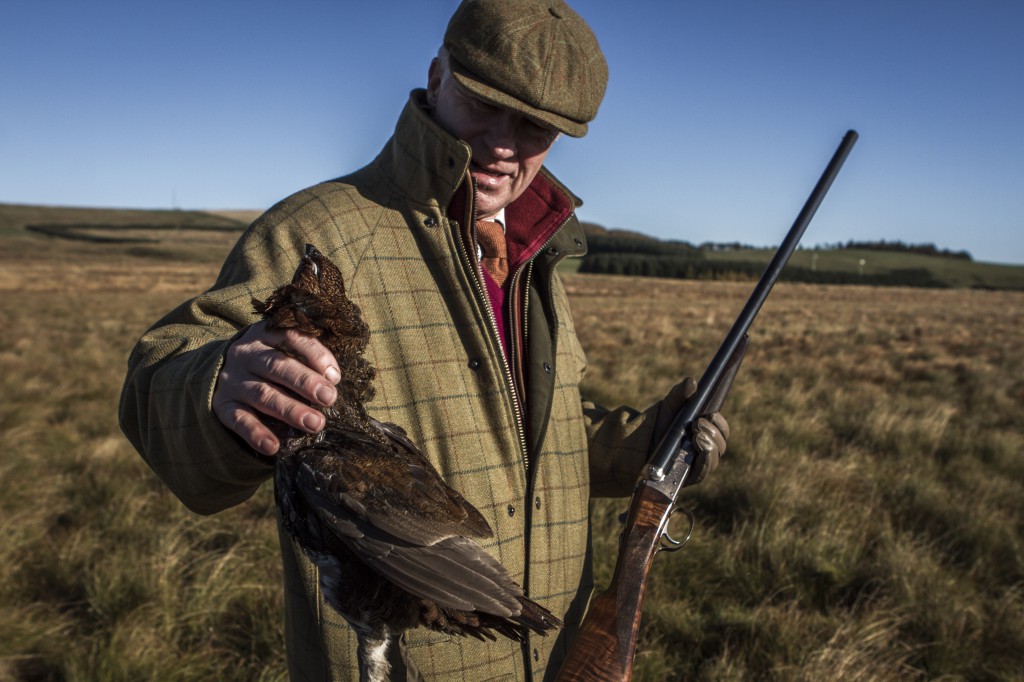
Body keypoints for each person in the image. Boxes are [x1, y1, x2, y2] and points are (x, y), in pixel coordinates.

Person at [119, 0, 729, 679]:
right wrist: (218, 387)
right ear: (437, 76)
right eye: (484, 105)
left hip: (558, 655)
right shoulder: (315, 235)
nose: (503, 142)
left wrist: (652, 446)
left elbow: (538, 438)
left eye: (533, 126)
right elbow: (157, 391)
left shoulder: (533, 255)